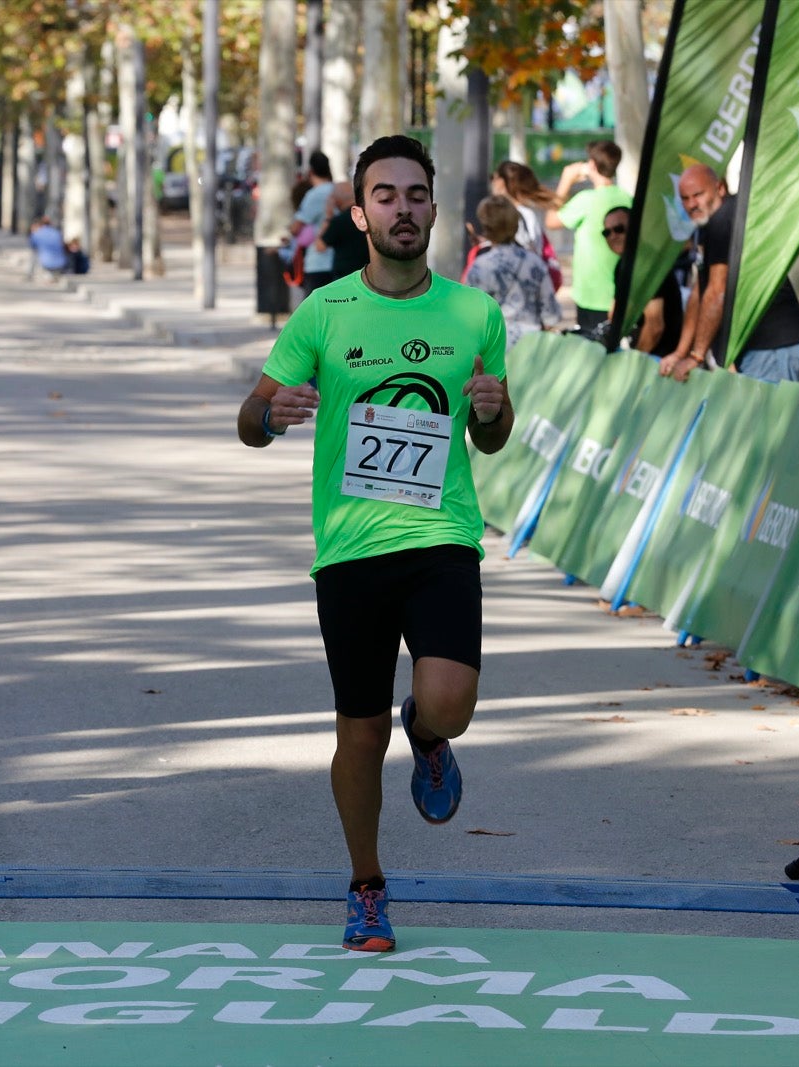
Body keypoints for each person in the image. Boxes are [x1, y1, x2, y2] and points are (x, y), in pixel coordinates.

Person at [236, 134, 511, 953]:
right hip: (351, 551)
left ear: (433, 208)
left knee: (450, 701)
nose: (403, 208)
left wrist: (493, 410)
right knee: (358, 734)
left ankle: (427, 736)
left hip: (441, 538)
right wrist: (270, 416)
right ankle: (366, 885)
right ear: (359, 213)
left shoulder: (475, 313)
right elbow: (250, 419)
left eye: (416, 194)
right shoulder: (324, 311)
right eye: (385, 195)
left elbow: (491, 437)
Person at [660, 163, 799, 383]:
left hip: (772, 348)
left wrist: (697, 355)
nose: (691, 204)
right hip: (770, 346)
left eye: (698, 195)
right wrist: (682, 352)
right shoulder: (709, 223)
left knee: (770, 418)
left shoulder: (725, 219)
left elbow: (717, 291)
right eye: (685, 198)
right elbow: (700, 293)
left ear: (719, 188)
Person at [548, 141, 630, 335]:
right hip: (620, 295)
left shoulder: (586, 200)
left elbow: (551, 220)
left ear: (592, 165)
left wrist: (566, 180)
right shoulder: (628, 199)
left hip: (591, 297)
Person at [464, 194, 562, 348]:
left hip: (493, 351)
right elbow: (552, 316)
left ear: (486, 227)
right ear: (516, 224)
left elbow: (469, 317)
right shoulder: (535, 263)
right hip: (531, 350)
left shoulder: (479, 267)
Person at [606, 206, 684, 355]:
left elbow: (655, 326)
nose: (612, 236)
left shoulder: (646, 263)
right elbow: (614, 314)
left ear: (636, 228)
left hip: (661, 359)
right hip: (642, 349)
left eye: (619, 229)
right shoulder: (623, 265)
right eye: (606, 232)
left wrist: (634, 362)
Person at [291, 150, 336, 294]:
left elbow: (296, 228)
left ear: (311, 171)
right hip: (340, 262)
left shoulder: (314, 195)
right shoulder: (340, 191)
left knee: (315, 313)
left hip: (318, 263)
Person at [315, 181, 370, 281]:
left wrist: (328, 216)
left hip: (344, 277)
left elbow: (320, 246)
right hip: (368, 275)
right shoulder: (367, 216)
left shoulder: (338, 221)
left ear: (336, 200)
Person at [28, 216, 69, 281]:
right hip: (61, 263)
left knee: (34, 253)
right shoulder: (57, 233)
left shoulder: (37, 234)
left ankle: (30, 274)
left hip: (46, 263)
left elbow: (33, 246)